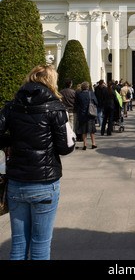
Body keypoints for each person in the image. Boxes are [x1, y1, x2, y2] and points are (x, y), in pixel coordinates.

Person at [0, 65, 75, 260]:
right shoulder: (56, 107)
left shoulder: (12, 105)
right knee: (40, 245)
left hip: (16, 183)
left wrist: (12, 142)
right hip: (44, 182)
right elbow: (66, 147)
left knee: (18, 244)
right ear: (51, 81)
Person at [75, 81, 98, 150]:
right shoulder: (91, 93)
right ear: (88, 87)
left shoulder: (79, 94)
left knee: (83, 130)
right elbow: (96, 102)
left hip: (82, 114)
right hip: (90, 113)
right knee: (92, 130)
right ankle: (93, 143)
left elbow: (76, 103)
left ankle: (84, 145)